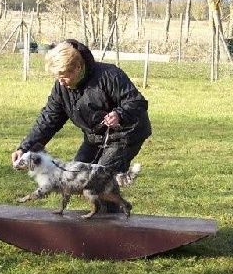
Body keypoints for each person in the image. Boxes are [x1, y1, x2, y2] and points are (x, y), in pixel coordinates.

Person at [11, 39, 151, 210]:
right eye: (57, 77)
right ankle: (89, 223)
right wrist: (25, 148)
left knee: (100, 180)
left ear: (78, 67)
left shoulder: (110, 75)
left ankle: (109, 226)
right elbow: (48, 119)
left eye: (64, 76)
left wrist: (119, 114)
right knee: (72, 176)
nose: (61, 82)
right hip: (94, 137)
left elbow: (137, 102)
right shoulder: (61, 89)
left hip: (126, 134)